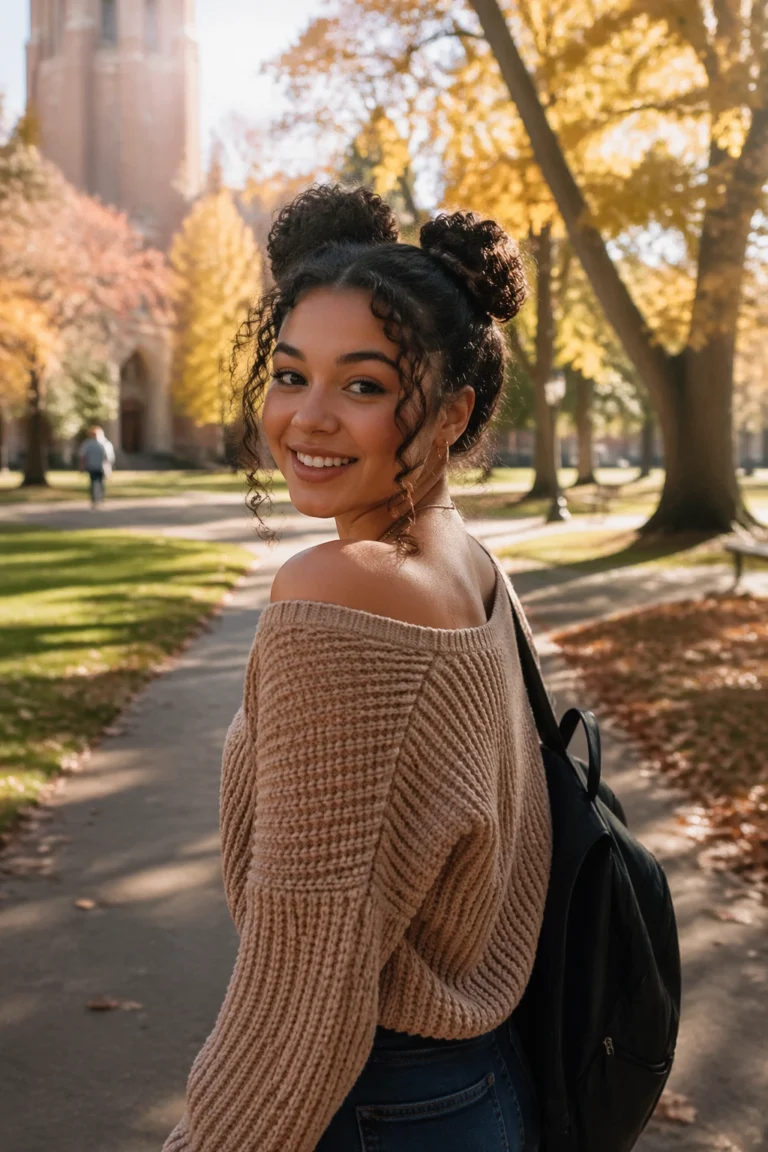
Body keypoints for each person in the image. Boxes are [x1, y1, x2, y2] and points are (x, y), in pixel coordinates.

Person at [163, 185, 553, 1152]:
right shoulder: (471, 564)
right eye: (290, 374)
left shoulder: (338, 592)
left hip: (374, 1104)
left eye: (364, 386)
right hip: (486, 1085)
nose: (308, 418)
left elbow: (302, 980)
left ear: (453, 412)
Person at [78, 425, 115, 508]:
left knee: (96, 483)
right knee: (98, 483)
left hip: (97, 467)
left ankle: (97, 499)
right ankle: (98, 499)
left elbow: (83, 456)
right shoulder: (103, 443)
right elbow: (109, 457)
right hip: (97, 467)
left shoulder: (89, 444)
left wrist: (82, 467)